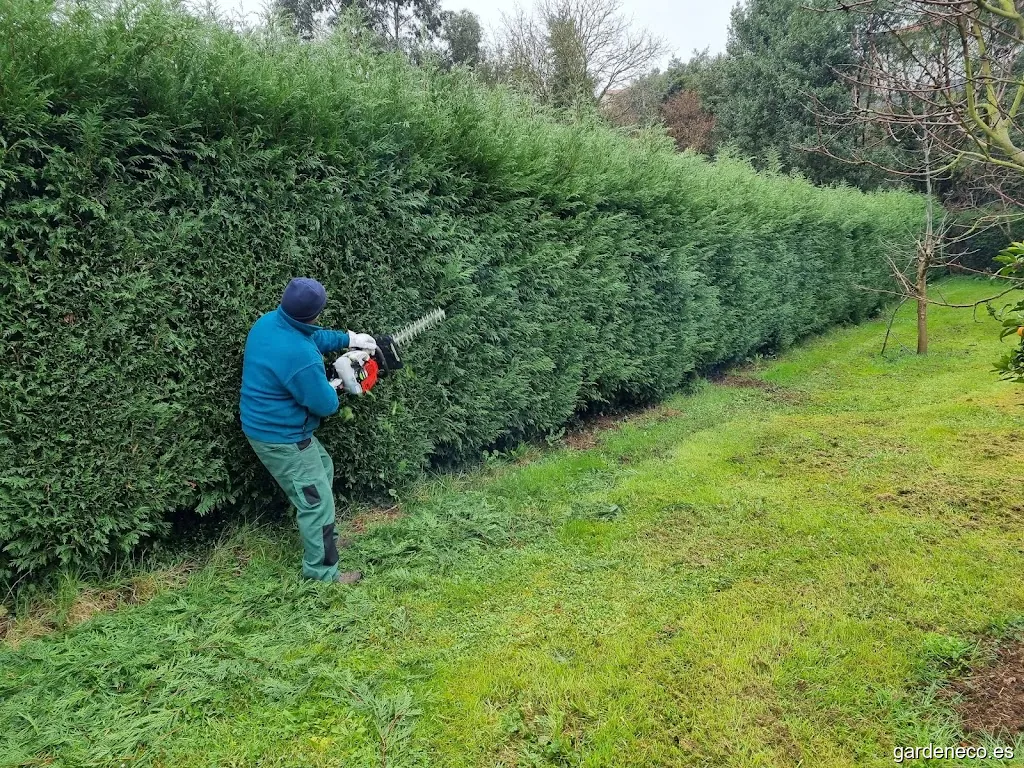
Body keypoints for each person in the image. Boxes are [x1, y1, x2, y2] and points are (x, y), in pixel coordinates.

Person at [239, 277, 377, 585]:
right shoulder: (299, 355)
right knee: (317, 502)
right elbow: (325, 404)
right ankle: (322, 574)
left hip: (267, 424)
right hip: (282, 437)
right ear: (316, 312)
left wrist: (350, 339)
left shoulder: (269, 323)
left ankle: (326, 538)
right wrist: (343, 382)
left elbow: (312, 338)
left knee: (323, 467)